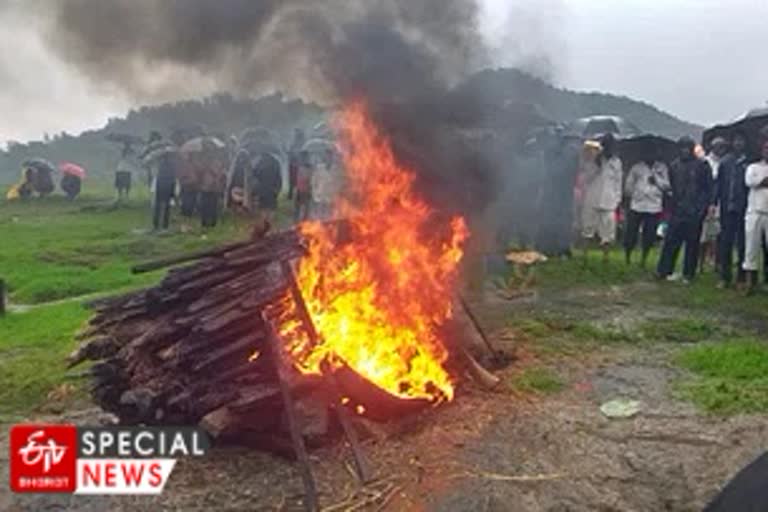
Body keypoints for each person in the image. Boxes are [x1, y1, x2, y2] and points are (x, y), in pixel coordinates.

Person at [656, 136, 714, 283]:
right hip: (677, 210)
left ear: (692, 149)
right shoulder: (674, 165)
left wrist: (702, 208)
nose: (684, 151)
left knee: (692, 244)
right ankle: (663, 270)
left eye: (687, 148)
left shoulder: (702, 165)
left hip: (695, 210)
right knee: (670, 241)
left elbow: (708, 189)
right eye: (682, 147)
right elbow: (672, 188)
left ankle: (688, 274)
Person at [623, 144, 670, 267]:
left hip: (654, 206)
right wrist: (634, 195)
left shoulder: (662, 168)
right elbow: (628, 186)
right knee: (631, 233)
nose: (650, 156)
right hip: (637, 205)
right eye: (648, 153)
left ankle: (644, 258)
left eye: (653, 153)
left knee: (649, 235)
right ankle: (627, 256)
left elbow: (667, 186)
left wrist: (656, 180)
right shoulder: (637, 168)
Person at [535, 127, 579, 257]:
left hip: (562, 192)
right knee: (552, 220)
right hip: (554, 191)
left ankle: (560, 249)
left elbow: (562, 171)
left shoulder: (569, 152)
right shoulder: (555, 151)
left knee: (560, 221)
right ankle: (549, 247)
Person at [579, 133, 623, 261]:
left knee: (607, 232)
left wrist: (617, 200)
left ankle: (605, 258)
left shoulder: (616, 162)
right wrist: (596, 165)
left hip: (609, 201)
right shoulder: (593, 159)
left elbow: (618, 182)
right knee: (587, 229)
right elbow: (585, 178)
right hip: (592, 198)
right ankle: (584, 256)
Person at [716, 132, 749, 288]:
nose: (738, 143)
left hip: (744, 208)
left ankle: (741, 277)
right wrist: (713, 203)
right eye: (736, 140)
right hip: (726, 207)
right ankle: (724, 277)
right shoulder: (725, 162)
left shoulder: (749, 162)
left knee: (742, 244)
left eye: (741, 141)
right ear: (732, 143)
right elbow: (719, 184)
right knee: (725, 242)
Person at [742, 140, 768, 295]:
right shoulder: (753, 167)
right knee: (751, 247)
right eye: (766, 149)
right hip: (755, 211)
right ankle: (749, 283)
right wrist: (763, 181)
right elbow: (750, 181)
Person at [699, 137, 727, 271]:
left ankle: (717, 263)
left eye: (723, 147)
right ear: (712, 147)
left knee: (717, 236)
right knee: (703, 236)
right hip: (706, 202)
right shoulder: (705, 162)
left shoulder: (725, 162)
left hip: (720, 203)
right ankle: (700, 264)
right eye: (718, 146)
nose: (721, 149)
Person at [252, 152, 283, 233]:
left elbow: (254, 173)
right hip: (272, 190)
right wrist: (278, 189)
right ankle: (269, 228)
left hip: (263, 190)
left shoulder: (260, 163)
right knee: (271, 208)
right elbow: (279, 177)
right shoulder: (276, 162)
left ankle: (263, 227)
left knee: (263, 208)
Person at [153, 152, 177, 231]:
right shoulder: (172, 166)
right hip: (168, 187)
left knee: (158, 207)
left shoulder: (160, 166)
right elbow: (173, 179)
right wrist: (173, 193)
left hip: (160, 187)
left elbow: (158, 177)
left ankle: (156, 224)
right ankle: (165, 225)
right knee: (167, 207)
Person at [293, 150, 313, 223]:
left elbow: (308, 178)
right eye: (301, 157)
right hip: (299, 190)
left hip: (306, 190)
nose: (301, 159)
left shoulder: (309, 167)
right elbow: (297, 178)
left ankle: (305, 223)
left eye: (303, 157)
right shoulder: (299, 166)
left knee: (306, 209)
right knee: (297, 209)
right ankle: (296, 223)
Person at [287, 128, 306, 200]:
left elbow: (302, 154)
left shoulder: (302, 143)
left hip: (298, 165)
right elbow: (290, 152)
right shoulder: (293, 143)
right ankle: (291, 194)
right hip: (293, 164)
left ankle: (297, 194)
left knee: (297, 181)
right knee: (292, 180)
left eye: (297, 134)